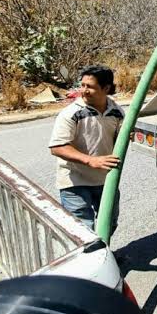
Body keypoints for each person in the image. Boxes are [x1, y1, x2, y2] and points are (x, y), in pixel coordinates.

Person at [49, 65, 124, 232]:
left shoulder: (117, 112)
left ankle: (105, 256)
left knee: (108, 225)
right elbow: (57, 147)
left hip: (105, 180)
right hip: (74, 182)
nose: (83, 90)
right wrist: (91, 160)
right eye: (82, 85)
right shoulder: (71, 113)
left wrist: (127, 136)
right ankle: (91, 257)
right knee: (83, 232)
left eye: (89, 86)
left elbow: (118, 140)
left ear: (105, 88)